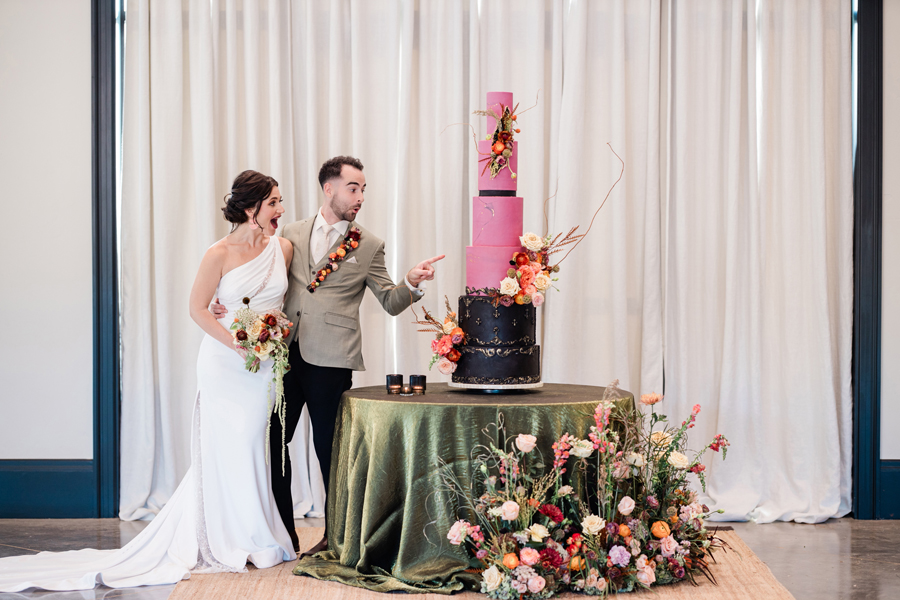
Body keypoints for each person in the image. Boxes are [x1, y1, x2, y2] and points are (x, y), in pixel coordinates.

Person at [0, 170, 296, 592]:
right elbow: (196, 309)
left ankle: (256, 534)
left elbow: (279, 303)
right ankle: (233, 538)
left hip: (265, 365)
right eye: (273, 203)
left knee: (251, 443)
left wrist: (275, 331)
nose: (281, 210)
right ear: (251, 209)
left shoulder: (282, 249)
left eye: (280, 202)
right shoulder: (218, 253)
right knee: (226, 445)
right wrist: (236, 342)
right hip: (225, 362)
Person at [214, 156, 443, 556]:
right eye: (353, 188)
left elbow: (390, 302)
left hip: (332, 360)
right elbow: (261, 280)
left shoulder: (369, 244)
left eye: (363, 190)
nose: (360, 197)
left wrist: (411, 282)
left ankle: (335, 536)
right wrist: (228, 307)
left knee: (330, 451)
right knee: (272, 443)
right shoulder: (289, 232)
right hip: (281, 356)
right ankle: (282, 532)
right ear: (329, 188)